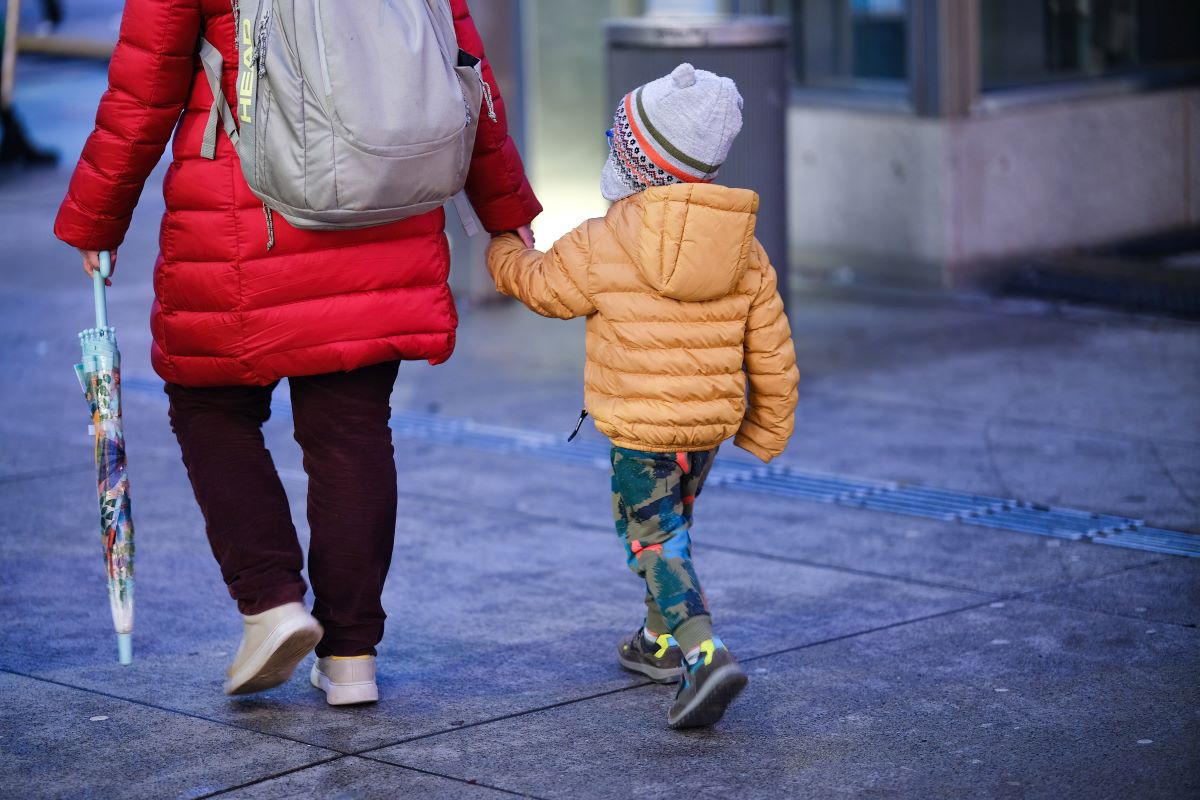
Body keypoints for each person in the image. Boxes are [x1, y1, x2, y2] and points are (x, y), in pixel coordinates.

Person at [54, 0, 540, 705]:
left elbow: (145, 83)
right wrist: (504, 211)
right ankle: (352, 657)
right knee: (350, 432)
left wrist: (97, 216)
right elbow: (464, 64)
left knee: (209, 403)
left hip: (245, 212)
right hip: (387, 209)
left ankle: (273, 603)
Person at [486, 63, 798, 729]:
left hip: (639, 432)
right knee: (673, 532)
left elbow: (540, 287)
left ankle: (703, 654)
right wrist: (766, 425)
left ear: (633, 163)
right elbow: (772, 349)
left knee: (650, 539)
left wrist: (504, 249)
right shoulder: (745, 250)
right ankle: (657, 643)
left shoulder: (605, 242)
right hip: (705, 430)